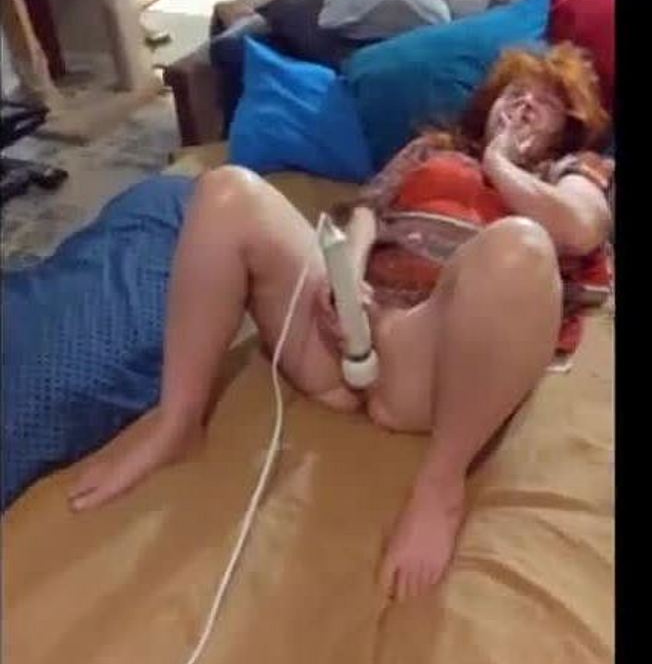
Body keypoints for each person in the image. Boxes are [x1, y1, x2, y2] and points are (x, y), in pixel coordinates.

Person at [66, 42, 614, 602]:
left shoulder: (574, 172)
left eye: (544, 104)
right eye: (515, 94)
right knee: (227, 190)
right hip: (344, 335)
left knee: (520, 246)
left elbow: (579, 230)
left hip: (433, 358)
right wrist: (345, 276)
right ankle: (178, 422)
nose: (523, 106)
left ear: (567, 129)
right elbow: (368, 212)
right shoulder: (433, 150)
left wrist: (500, 162)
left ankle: (441, 485)